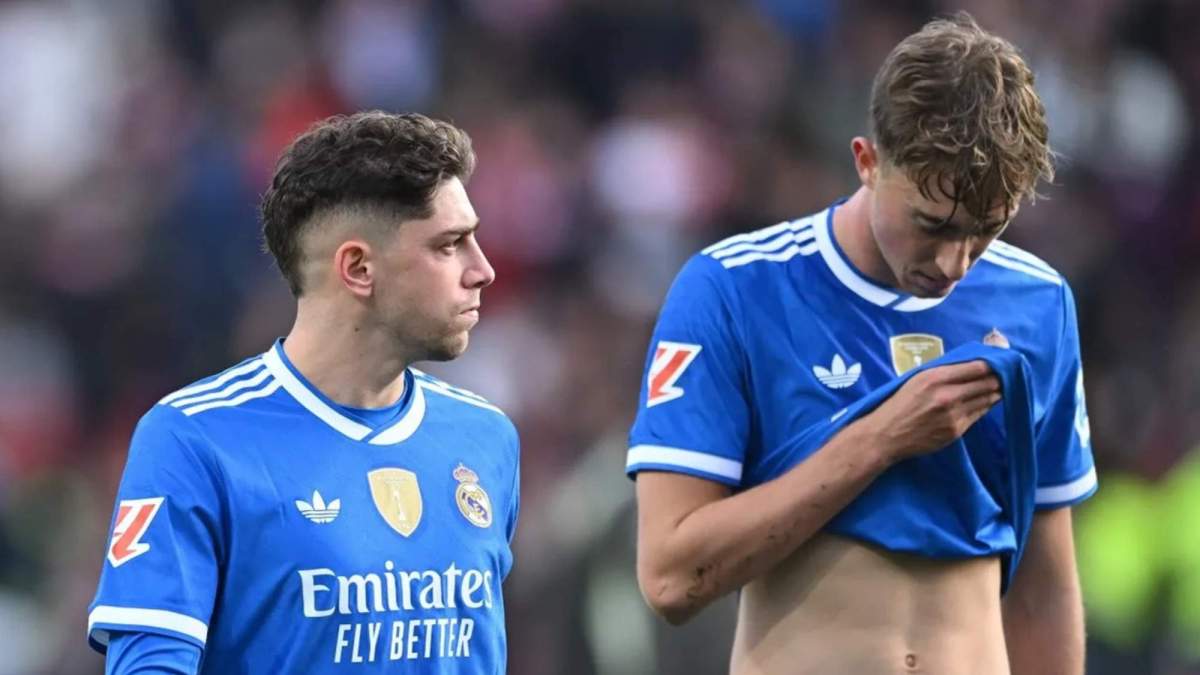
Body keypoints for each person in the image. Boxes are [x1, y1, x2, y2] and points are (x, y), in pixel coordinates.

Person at [627, 13, 1095, 675]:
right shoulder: (734, 289)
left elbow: (1044, 587)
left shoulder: (1038, 301)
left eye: (986, 230)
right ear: (868, 161)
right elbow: (671, 578)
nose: (955, 263)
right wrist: (882, 438)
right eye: (932, 224)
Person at [87, 112, 519, 674]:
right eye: (450, 245)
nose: (482, 269)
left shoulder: (485, 437)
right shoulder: (195, 440)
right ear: (358, 268)